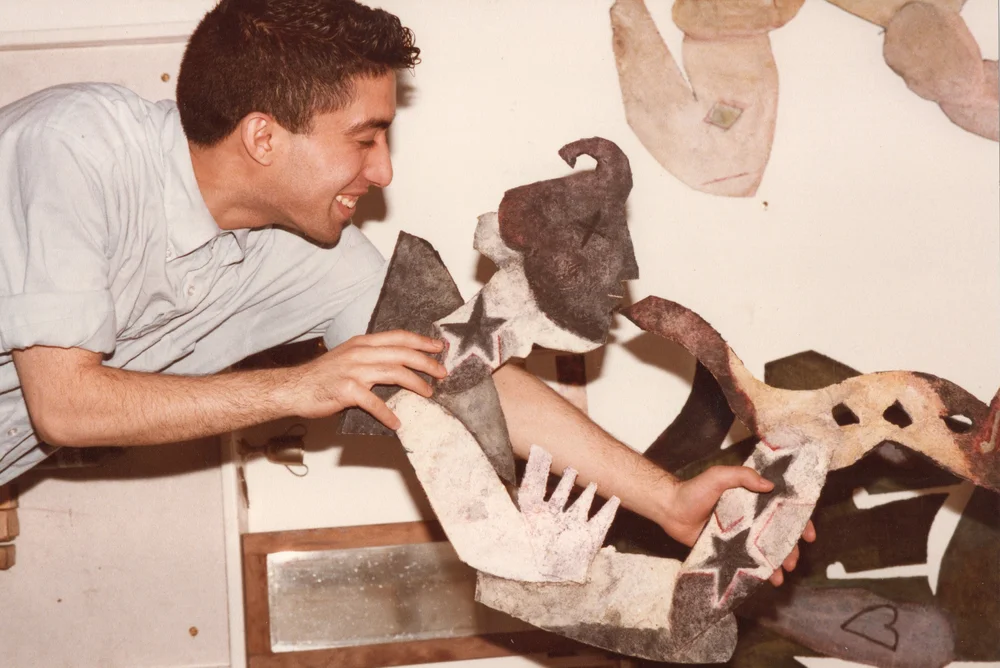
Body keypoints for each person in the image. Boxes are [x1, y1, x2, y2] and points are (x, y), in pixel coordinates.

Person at [0, 0, 812, 583]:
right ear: (263, 136)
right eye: (365, 138)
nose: (383, 171)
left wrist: (667, 499)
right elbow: (66, 406)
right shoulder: (76, 148)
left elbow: (463, 374)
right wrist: (299, 386)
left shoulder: (311, 255)